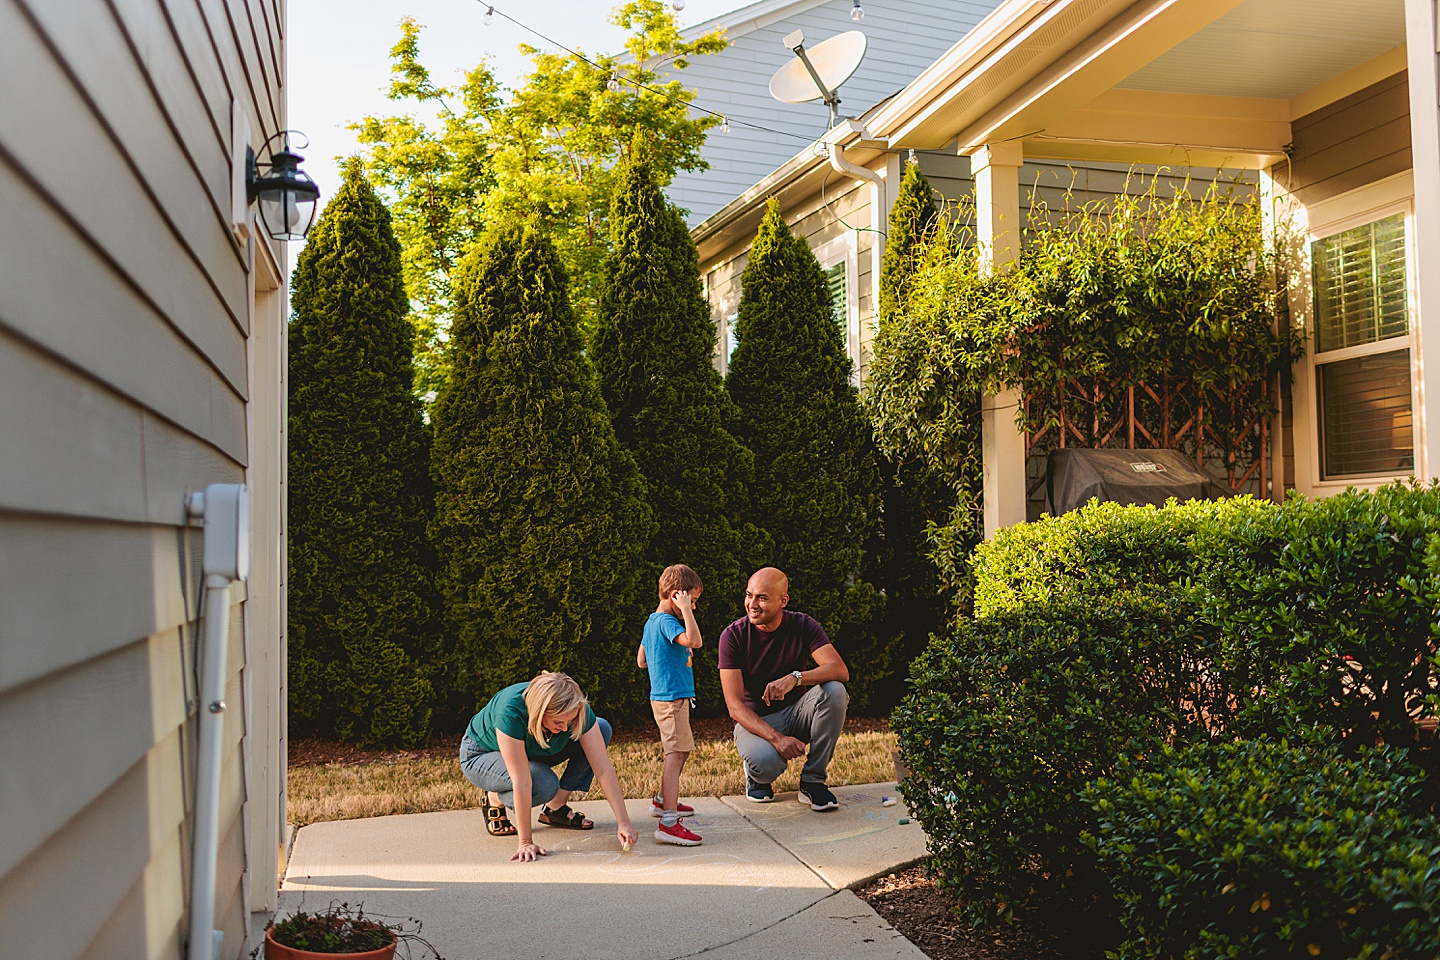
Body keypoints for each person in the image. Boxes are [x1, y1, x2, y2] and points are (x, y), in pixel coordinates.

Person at [459, 671, 639, 861]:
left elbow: (603, 768)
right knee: (544, 784)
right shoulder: (510, 711)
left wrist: (624, 822)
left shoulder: (577, 709)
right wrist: (525, 842)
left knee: (600, 729)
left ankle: (555, 808)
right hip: (481, 755)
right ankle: (494, 797)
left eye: (569, 721)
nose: (564, 728)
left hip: (531, 749)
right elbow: (522, 780)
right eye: (558, 722)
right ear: (539, 711)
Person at [718, 567, 850, 811]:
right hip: (755, 722)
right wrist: (777, 739)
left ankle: (813, 782)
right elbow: (734, 707)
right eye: (749, 595)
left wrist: (795, 678)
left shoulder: (802, 625)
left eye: (762, 598)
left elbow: (839, 670)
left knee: (835, 691)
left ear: (783, 600)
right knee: (766, 764)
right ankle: (756, 776)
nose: (752, 604)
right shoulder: (733, 636)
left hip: (797, 714)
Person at [637, 563, 705, 846]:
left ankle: (664, 799)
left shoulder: (652, 622)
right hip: (671, 699)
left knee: (681, 750)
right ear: (678, 595)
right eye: (693, 600)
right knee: (675, 754)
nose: (694, 607)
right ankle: (667, 822)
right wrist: (686, 611)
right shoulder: (667, 622)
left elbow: (641, 660)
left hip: (666, 698)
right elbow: (695, 641)